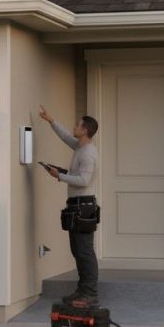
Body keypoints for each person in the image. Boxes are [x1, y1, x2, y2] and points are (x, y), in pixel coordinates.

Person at [38, 105, 100, 306]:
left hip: (85, 207)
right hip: (77, 206)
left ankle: (90, 294)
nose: (74, 126)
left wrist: (60, 176)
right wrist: (51, 120)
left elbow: (84, 181)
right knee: (77, 250)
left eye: (77, 125)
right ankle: (82, 291)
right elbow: (66, 137)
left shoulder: (88, 153)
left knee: (85, 251)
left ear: (84, 131)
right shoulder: (80, 147)